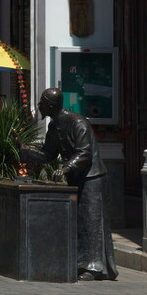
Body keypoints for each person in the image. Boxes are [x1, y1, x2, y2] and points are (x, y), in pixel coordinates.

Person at [36, 87, 118, 281]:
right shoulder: (54, 126)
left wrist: (65, 168)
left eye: (41, 102)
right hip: (76, 177)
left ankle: (94, 267)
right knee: (78, 221)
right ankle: (82, 262)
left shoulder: (78, 123)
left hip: (92, 177)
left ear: (49, 106)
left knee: (91, 222)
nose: (39, 106)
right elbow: (47, 154)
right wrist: (20, 149)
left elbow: (84, 152)